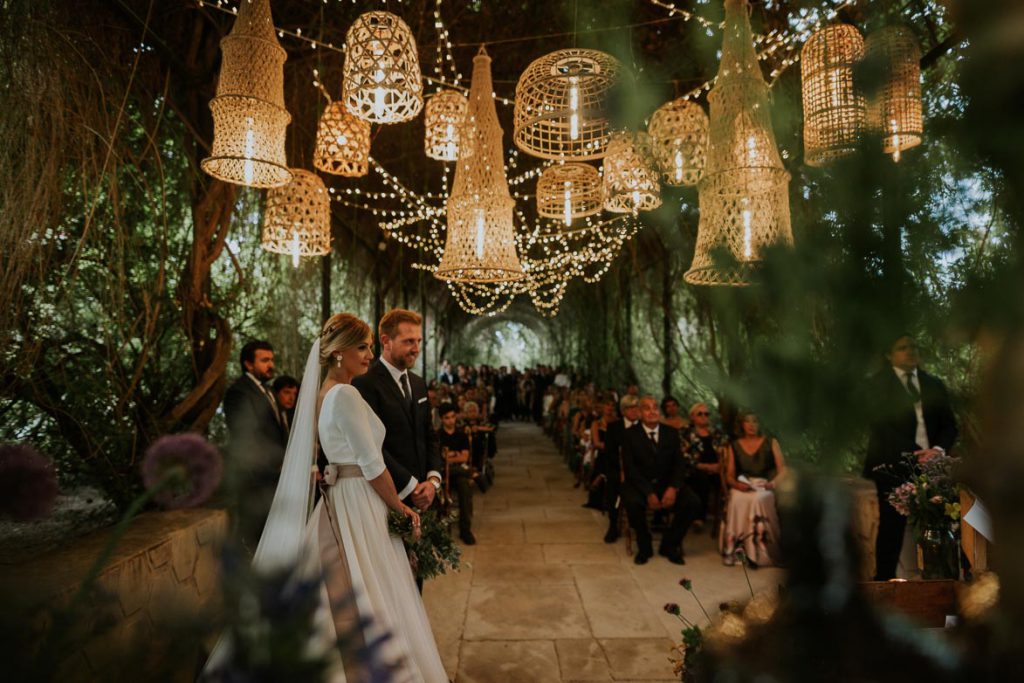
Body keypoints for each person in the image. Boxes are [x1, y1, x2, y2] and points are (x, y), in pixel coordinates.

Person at [203, 314, 448, 682]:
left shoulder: (324, 393)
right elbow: (371, 463)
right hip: (359, 499)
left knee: (353, 585)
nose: (369, 355)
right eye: (362, 347)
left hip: (341, 496)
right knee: (371, 585)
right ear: (337, 353)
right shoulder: (346, 394)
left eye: (369, 346)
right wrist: (401, 507)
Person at [863, 334, 958, 580]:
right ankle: (885, 584)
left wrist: (936, 451)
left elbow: (950, 426)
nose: (910, 351)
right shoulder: (876, 385)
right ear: (889, 355)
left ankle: (944, 580)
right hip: (892, 464)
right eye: (902, 348)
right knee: (891, 527)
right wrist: (916, 453)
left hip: (934, 464)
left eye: (913, 347)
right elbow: (880, 428)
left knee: (943, 522)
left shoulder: (933, 384)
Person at [352, 309, 443, 518]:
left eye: (419, 341)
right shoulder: (365, 383)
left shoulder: (418, 384)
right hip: (390, 496)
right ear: (386, 341)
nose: (416, 349)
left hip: (426, 496)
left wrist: (432, 481)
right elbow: (373, 446)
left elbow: (429, 435)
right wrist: (411, 486)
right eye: (409, 341)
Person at [222, 340, 288, 547]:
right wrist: (274, 468)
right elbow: (246, 438)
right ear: (248, 364)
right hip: (257, 480)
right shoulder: (239, 392)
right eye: (265, 360)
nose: (270, 364)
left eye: (272, 360)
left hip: (277, 478)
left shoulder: (268, 392)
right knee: (258, 541)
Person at [620, 396, 701, 565]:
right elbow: (630, 469)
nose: (652, 411)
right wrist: (648, 492)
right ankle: (644, 546)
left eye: (655, 407)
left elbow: (679, 465)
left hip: (666, 484)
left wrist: (673, 488)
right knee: (632, 503)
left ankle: (669, 545)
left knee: (692, 502)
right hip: (640, 485)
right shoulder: (629, 435)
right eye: (647, 408)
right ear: (640, 412)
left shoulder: (671, 433)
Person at [721, 411, 786, 568]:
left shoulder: (771, 442)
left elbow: (783, 470)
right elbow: (729, 476)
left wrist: (772, 484)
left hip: (765, 485)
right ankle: (737, 551)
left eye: (755, 421)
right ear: (742, 425)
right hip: (743, 485)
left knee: (758, 498)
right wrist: (738, 485)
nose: (751, 425)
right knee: (736, 498)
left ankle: (762, 553)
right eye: (747, 421)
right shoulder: (734, 445)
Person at [599, 394, 641, 543]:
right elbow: (610, 454)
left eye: (637, 407)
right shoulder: (614, 428)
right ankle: (613, 525)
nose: (635, 411)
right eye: (631, 408)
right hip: (619, 469)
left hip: (641, 471)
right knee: (613, 482)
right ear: (623, 411)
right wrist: (622, 470)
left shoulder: (644, 427)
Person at [438, 403, 476, 545]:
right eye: (447, 418)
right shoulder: (438, 436)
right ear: (442, 419)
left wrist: (449, 455)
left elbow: (464, 457)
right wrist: (454, 455)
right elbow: (439, 458)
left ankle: (465, 530)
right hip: (443, 473)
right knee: (457, 472)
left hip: (457, 472)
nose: (451, 420)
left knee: (464, 486)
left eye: (453, 417)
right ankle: (473, 474)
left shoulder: (461, 435)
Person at [682, 402, 726, 522]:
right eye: (700, 414)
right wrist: (702, 466)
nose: (703, 416)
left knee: (730, 478)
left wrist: (720, 464)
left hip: (717, 469)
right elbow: (682, 455)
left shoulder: (716, 432)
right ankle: (699, 518)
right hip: (695, 469)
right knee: (702, 478)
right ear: (692, 416)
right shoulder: (685, 432)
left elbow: (725, 451)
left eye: (706, 414)